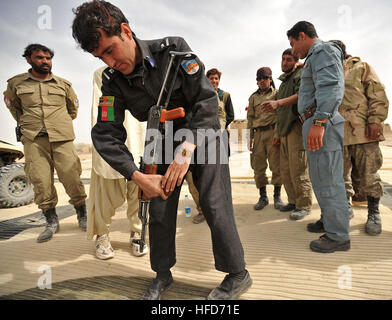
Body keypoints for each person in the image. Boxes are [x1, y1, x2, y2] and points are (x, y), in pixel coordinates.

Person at [72, 0, 251, 300]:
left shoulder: (174, 51)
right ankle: (162, 274)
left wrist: (186, 152)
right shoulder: (112, 82)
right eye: (99, 57)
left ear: (125, 31)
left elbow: (207, 102)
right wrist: (136, 175)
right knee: (158, 210)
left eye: (109, 50)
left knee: (213, 203)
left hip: (203, 134)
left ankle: (238, 274)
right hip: (160, 139)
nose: (109, 62)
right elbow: (105, 133)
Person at [3, 44, 87, 243]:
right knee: (40, 180)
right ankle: (51, 221)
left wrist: (57, 123)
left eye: (48, 58)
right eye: (40, 58)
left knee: (72, 176)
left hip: (61, 137)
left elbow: (72, 110)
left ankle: (82, 214)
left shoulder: (63, 84)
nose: (45, 61)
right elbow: (14, 109)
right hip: (34, 139)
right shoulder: (16, 83)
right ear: (29, 59)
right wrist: (29, 125)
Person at [286, 21, 350, 253]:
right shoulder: (315, 57)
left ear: (302, 36)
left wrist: (321, 121)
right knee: (321, 178)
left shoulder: (323, 50)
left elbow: (332, 86)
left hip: (321, 123)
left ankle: (338, 236)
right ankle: (329, 221)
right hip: (314, 122)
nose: (293, 51)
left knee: (329, 179)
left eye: (293, 44)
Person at [330, 40, 389, 235]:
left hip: (362, 131)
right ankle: (345, 207)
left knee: (369, 174)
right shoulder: (328, 71)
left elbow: (378, 94)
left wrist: (375, 121)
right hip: (337, 133)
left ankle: (373, 212)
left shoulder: (361, 67)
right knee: (339, 175)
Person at [89, 66, 147, 259]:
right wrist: (105, 144)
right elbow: (102, 107)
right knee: (105, 194)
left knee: (139, 192)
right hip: (113, 137)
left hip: (140, 137)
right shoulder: (102, 73)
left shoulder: (144, 71)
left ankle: (137, 231)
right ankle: (102, 235)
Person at [260, 49, 313, 220]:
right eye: (283, 59)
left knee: (298, 169)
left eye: (289, 59)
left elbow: (301, 95)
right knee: (285, 169)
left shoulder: (300, 75)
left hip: (296, 127)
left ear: (296, 61)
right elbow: (279, 111)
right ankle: (293, 201)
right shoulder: (284, 82)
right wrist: (277, 132)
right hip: (283, 130)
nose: (284, 62)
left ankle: (304, 205)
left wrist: (278, 102)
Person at [185, 67, 234, 224]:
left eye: (216, 79)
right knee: (193, 179)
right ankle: (202, 210)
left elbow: (229, 116)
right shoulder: (196, 96)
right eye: (211, 78)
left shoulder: (224, 96)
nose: (214, 81)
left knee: (216, 178)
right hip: (196, 142)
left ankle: (218, 210)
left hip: (217, 140)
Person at [247, 67, 283, 211]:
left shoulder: (277, 94)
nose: (262, 81)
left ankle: (277, 196)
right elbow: (249, 118)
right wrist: (248, 138)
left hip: (272, 132)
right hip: (258, 135)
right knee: (258, 167)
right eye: (259, 79)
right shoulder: (253, 98)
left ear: (270, 78)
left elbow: (281, 115)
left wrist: (277, 134)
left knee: (276, 166)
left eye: (265, 78)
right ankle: (263, 197)